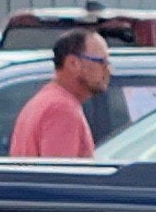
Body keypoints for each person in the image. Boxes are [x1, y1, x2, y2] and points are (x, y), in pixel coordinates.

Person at [12, 27, 111, 157]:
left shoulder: (44, 101)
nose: (109, 70)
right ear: (73, 63)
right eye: (102, 62)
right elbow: (60, 175)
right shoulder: (62, 109)